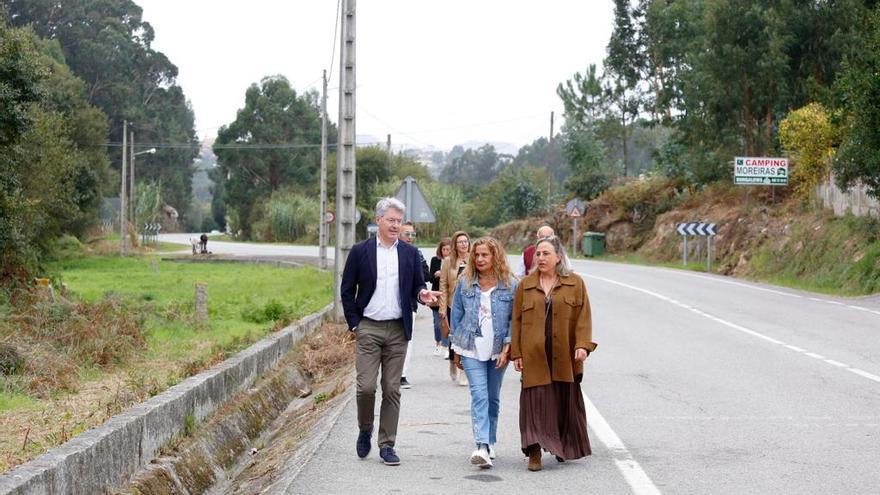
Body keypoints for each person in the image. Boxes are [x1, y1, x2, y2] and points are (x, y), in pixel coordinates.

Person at [340, 197, 441, 466]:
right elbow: (347, 290)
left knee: (391, 388)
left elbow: (417, 286)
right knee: (366, 388)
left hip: (398, 329)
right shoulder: (360, 251)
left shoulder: (409, 253)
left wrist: (423, 294)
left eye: (399, 221)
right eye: (391, 220)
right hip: (369, 328)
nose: (396, 225)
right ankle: (365, 429)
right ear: (378, 221)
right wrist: (354, 324)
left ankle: (387, 444)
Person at [510, 235, 597, 472]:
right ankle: (535, 451)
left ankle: (561, 446)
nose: (541, 257)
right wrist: (516, 353)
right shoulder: (525, 285)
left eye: (546, 253)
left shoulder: (575, 283)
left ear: (558, 257)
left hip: (564, 354)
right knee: (535, 402)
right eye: (538, 254)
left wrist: (582, 345)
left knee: (561, 400)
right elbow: (516, 322)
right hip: (534, 353)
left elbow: (583, 318)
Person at [449, 237, 518, 469]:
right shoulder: (465, 282)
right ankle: (481, 445)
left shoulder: (510, 284)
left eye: (484, 255)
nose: (479, 259)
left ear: (495, 256)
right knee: (479, 395)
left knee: (492, 397)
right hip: (470, 347)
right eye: (476, 255)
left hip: (498, 350)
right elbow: (456, 316)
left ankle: (490, 441)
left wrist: (507, 348)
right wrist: (456, 350)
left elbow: (514, 320)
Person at [398, 221, 430, 389]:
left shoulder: (416, 253)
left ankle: (402, 375)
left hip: (409, 304)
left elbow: (425, 274)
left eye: (412, 235)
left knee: (407, 340)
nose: (410, 238)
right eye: (407, 234)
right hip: (386, 307)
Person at [439, 230, 470, 386]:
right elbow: (443, 285)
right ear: (455, 245)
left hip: (470, 305)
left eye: (465, 241)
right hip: (452, 304)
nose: (464, 244)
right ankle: (453, 361)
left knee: (467, 338)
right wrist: (442, 308)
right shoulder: (448, 261)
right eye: (460, 242)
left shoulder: (474, 259)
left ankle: (464, 370)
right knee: (454, 337)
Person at [429, 238, 452, 357]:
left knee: (447, 321)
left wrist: (443, 273)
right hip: (436, 295)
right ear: (440, 250)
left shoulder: (454, 262)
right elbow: (430, 278)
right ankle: (438, 344)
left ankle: (446, 346)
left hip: (449, 296)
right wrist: (437, 275)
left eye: (449, 249)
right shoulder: (435, 260)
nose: (446, 251)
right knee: (437, 322)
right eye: (444, 249)